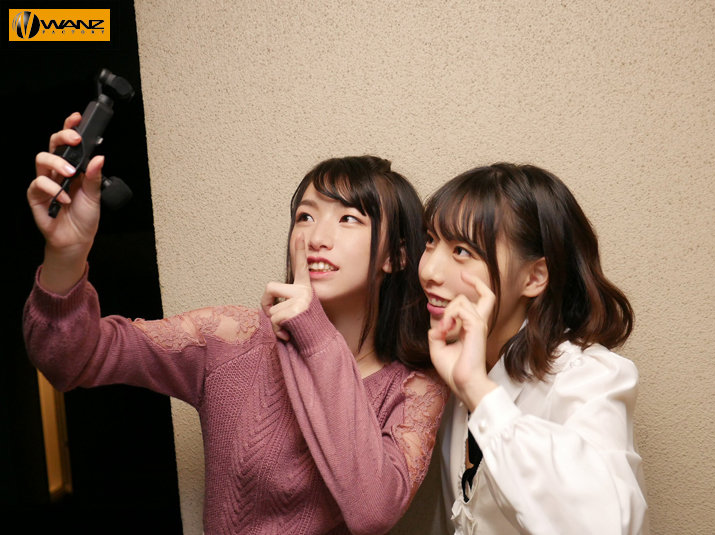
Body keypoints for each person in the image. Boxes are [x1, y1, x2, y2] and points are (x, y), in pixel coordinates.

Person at [24, 112, 448, 535]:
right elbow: (70, 360)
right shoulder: (229, 339)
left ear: (397, 255)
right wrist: (66, 255)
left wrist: (315, 333)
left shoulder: (414, 387)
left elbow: (373, 512)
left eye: (349, 218)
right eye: (305, 216)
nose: (316, 238)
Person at [418, 163, 648, 534]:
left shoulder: (592, 377)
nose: (429, 270)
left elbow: (605, 525)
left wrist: (478, 390)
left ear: (534, 277)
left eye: (461, 250)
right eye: (430, 241)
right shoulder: (456, 359)